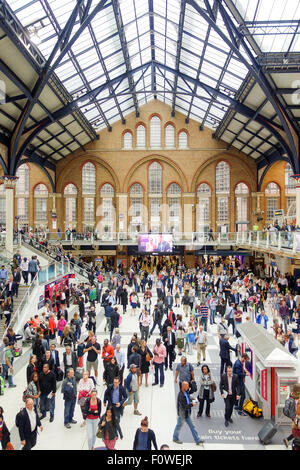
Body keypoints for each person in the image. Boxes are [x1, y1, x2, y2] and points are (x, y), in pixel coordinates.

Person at [173, 381, 204, 446]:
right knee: (178, 427)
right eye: (187, 386)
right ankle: (175, 438)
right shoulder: (180, 395)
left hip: (187, 414)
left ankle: (197, 440)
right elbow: (185, 406)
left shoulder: (186, 392)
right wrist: (192, 404)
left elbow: (188, 397)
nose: (188, 387)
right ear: (183, 387)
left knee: (192, 427)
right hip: (182, 415)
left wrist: (193, 398)